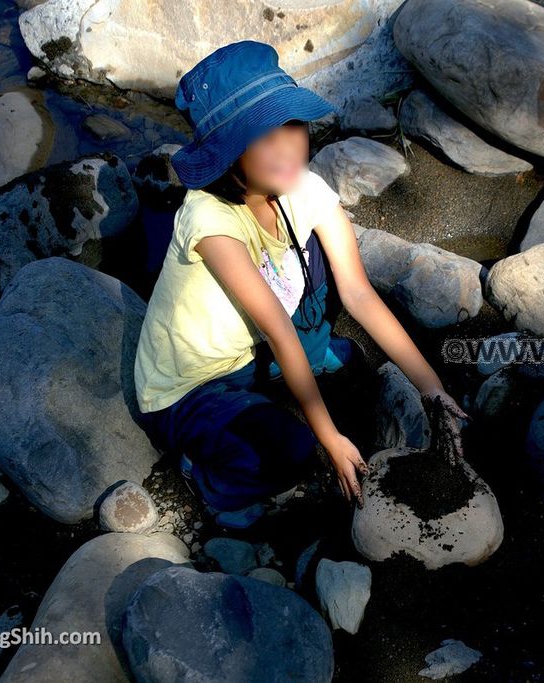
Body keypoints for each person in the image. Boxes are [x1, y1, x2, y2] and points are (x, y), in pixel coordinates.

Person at [133, 39, 468, 529]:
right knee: (290, 451)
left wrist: (432, 388)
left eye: (292, 126)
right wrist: (329, 438)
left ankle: (303, 365)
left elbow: (357, 291)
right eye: (264, 138)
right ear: (229, 152)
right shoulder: (209, 219)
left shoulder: (301, 186)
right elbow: (278, 330)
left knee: (319, 261)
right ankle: (202, 479)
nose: (288, 147)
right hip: (192, 385)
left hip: (251, 352)